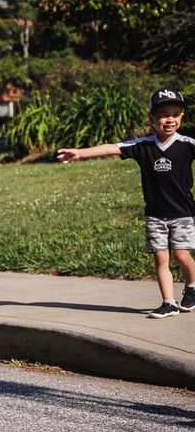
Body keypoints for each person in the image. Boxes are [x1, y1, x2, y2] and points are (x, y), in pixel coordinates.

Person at [57, 88, 195, 318]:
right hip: (155, 214)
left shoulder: (188, 144)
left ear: (181, 116)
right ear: (151, 118)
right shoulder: (144, 146)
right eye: (163, 114)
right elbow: (113, 147)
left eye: (175, 114)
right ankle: (168, 302)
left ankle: (191, 286)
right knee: (161, 256)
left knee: (181, 255)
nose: (169, 119)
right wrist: (80, 153)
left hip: (183, 213)